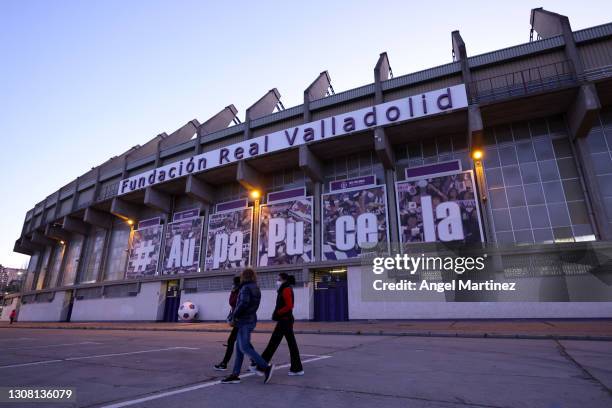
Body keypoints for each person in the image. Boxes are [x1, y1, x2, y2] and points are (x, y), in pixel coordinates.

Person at [221, 268, 274, 384]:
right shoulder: (256, 287)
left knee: (244, 347)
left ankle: (265, 367)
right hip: (250, 319)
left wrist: (234, 316)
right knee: (239, 348)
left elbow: (243, 303)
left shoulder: (245, 288)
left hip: (244, 320)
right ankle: (235, 374)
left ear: (244, 276)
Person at [254, 273, 304, 376]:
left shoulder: (286, 289)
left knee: (273, 344)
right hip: (285, 321)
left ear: (284, 280)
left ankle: (261, 366)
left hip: (284, 321)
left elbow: (289, 306)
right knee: (289, 344)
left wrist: (278, 313)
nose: (277, 281)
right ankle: (297, 368)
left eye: (279, 279)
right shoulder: (284, 288)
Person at [214, 276, 241, 371]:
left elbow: (232, 302)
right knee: (244, 344)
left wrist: (233, 291)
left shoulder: (239, 291)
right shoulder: (239, 290)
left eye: (233, 283)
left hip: (240, 320)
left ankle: (224, 363)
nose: (232, 284)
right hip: (240, 320)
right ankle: (255, 362)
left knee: (234, 342)